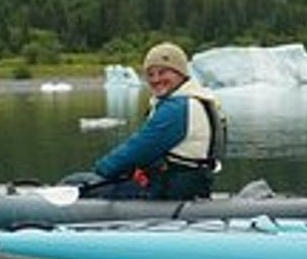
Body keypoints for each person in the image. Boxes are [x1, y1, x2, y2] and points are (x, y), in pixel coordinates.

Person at [63, 41, 225, 200]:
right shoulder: (197, 101)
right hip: (192, 185)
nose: (155, 79)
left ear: (181, 74)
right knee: (82, 179)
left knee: (77, 183)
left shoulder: (176, 108)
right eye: (151, 74)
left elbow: (138, 150)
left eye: (163, 72)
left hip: (171, 190)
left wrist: (100, 172)